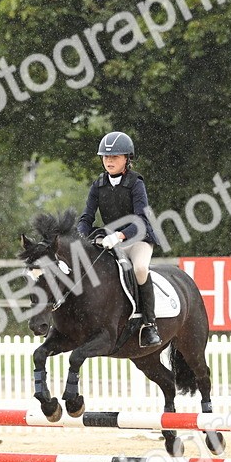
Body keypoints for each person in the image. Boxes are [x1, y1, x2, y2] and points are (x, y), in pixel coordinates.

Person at [76, 131, 163, 346]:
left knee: (139, 269)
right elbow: (87, 217)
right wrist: (80, 236)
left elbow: (141, 219)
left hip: (138, 238)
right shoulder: (98, 184)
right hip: (111, 241)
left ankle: (149, 324)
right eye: (106, 157)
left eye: (114, 157)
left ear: (127, 159)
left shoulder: (136, 183)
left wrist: (119, 235)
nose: (109, 161)